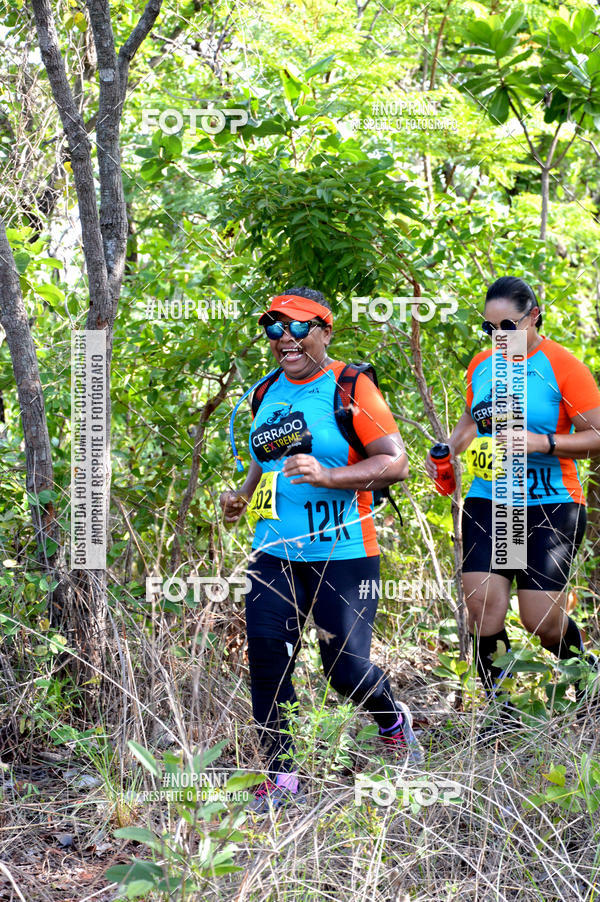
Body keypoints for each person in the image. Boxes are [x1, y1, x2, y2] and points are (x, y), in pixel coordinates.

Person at [220, 287, 423, 814]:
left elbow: (396, 463)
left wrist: (330, 476)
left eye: (297, 326)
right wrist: (241, 497)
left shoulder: (351, 386)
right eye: (273, 328)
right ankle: (281, 778)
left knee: (345, 668)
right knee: (268, 659)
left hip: (345, 553)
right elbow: (263, 461)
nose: (283, 337)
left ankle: (391, 720)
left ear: (325, 331)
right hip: (274, 550)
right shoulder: (266, 392)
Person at [425, 276, 600, 731]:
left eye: (508, 326)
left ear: (534, 316)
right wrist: (447, 449)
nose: (498, 338)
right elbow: (470, 421)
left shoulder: (563, 367)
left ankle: (590, 679)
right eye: (489, 329)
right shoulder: (482, 365)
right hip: (491, 498)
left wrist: (542, 442)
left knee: (541, 620)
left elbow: (596, 437)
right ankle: (501, 714)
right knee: (482, 606)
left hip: (550, 502)